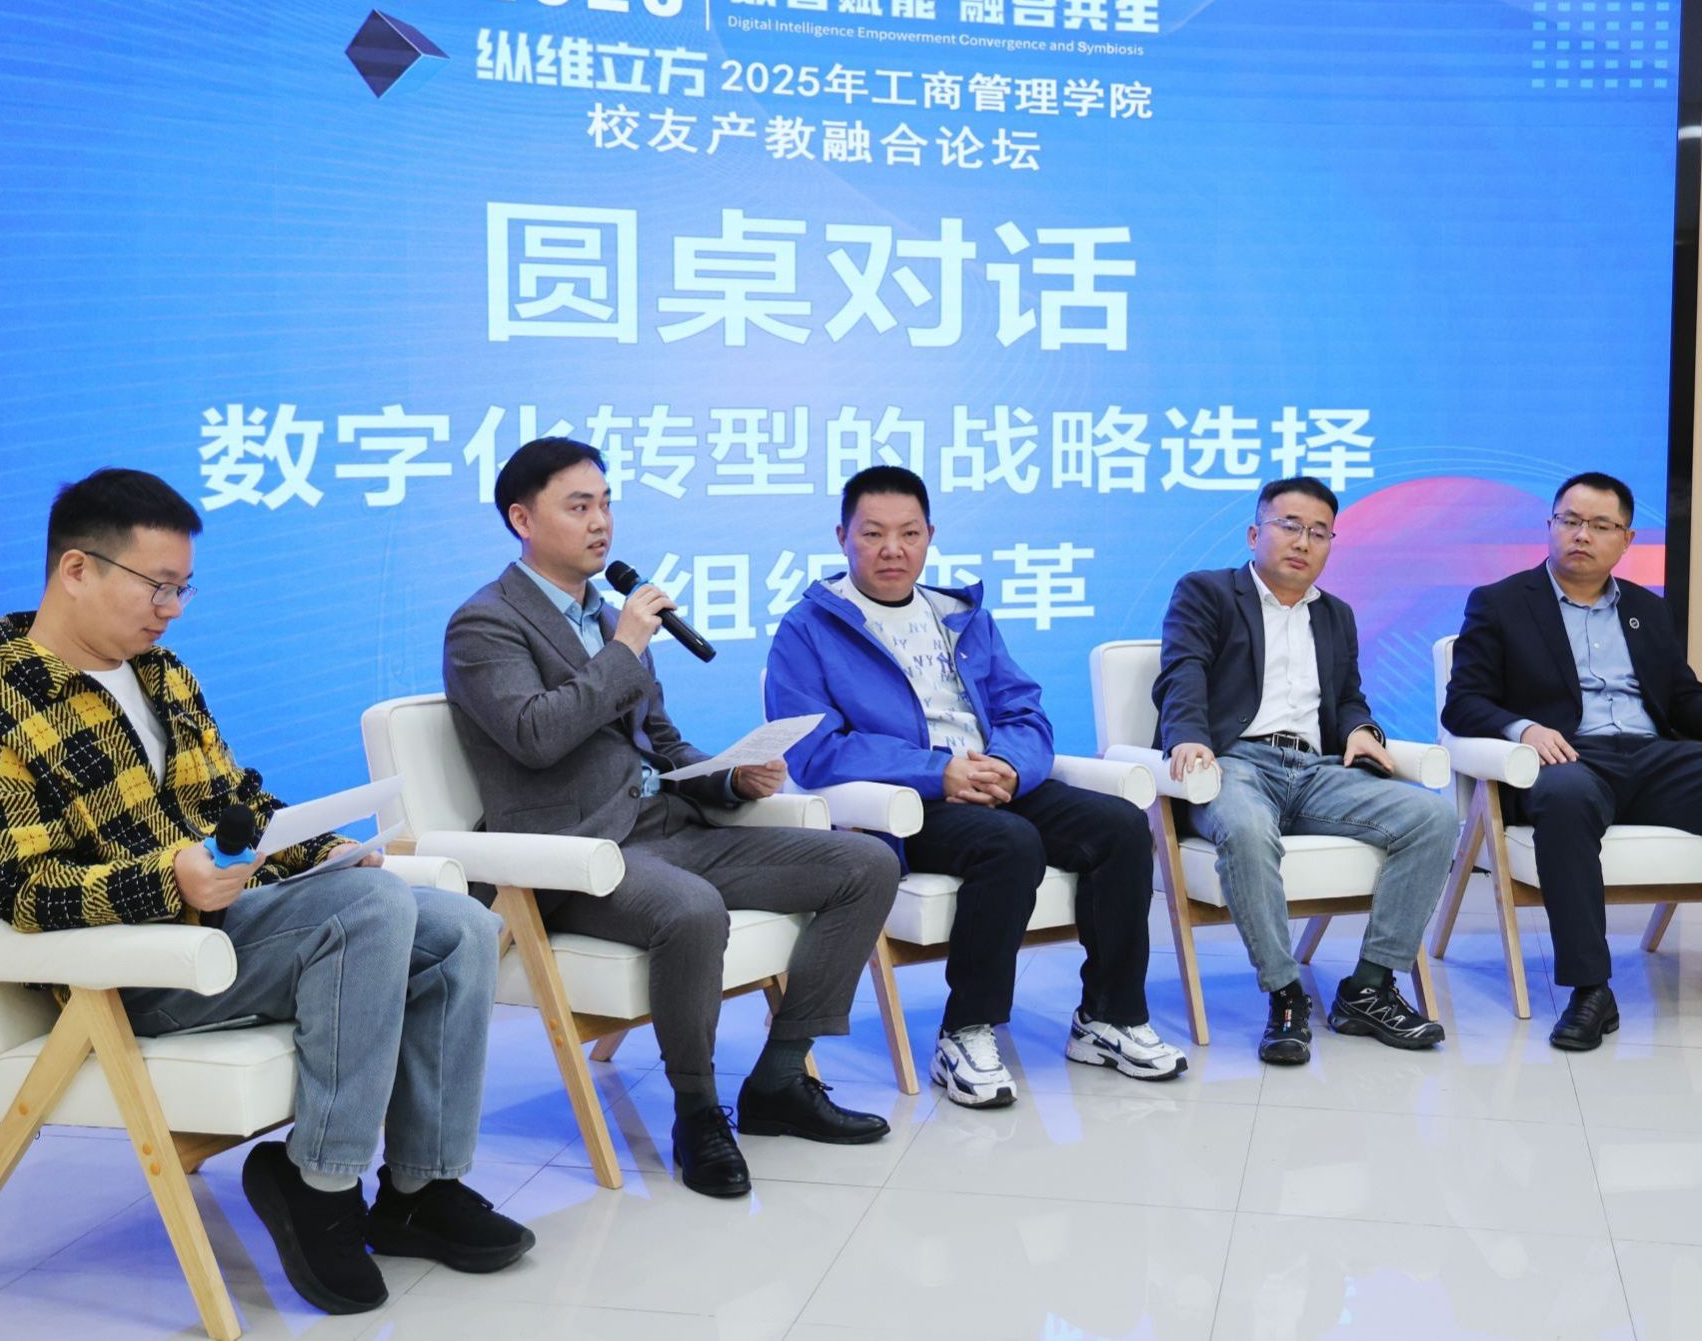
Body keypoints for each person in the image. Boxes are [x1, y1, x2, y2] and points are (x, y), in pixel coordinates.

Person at [0, 469, 525, 1318]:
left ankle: (419, 1189)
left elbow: (235, 804)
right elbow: (26, 893)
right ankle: (319, 1184)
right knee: (372, 914)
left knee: (461, 926)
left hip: (223, 930)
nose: (171, 609)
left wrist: (327, 850)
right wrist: (167, 877)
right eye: (156, 585)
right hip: (136, 972)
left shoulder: (162, 675)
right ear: (76, 569)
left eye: (182, 588)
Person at [442, 438, 900, 1198]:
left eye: (606, 503)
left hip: (666, 829)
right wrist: (624, 646)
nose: (601, 522)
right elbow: (534, 735)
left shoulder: (606, 617)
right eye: (579, 506)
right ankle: (697, 1113)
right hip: (573, 854)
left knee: (866, 864)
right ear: (522, 519)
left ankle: (781, 1079)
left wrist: (731, 776)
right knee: (693, 909)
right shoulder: (485, 624)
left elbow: (659, 741)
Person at [767, 466, 1185, 1107]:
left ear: (930, 536)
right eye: (873, 534)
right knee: (1009, 843)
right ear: (842, 537)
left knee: (1121, 826)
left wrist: (1010, 766)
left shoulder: (962, 616)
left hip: (994, 778)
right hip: (907, 804)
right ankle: (965, 1031)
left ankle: (1108, 1017)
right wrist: (938, 771)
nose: (892, 549)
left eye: (909, 533)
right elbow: (815, 750)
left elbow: (1023, 709)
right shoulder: (807, 630)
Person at [1443, 470, 1702, 1050]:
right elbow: (1464, 702)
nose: (1582, 534)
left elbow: (1681, 695)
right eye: (1570, 520)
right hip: (1568, 757)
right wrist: (1525, 729)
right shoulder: (1501, 603)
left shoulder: (1646, 608)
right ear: (1550, 525)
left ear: (1626, 539)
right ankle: (1591, 990)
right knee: (1566, 797)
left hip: (1654, 757)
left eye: (1600, 525)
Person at [1153, 476, 1455, 1065]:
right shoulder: (1207, 592)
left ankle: (1369, 987)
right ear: (1254, 533)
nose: (1303, 541)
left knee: (1433, 818)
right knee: (1246, 828)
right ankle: (1285, 994)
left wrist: (1362, 730)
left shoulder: (1336, 615)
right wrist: (1188, 736)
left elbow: (1347, 699)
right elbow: (1182, 670)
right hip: (1234, 762)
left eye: (1319, 532)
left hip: (1315, 769)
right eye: (1289, 526)